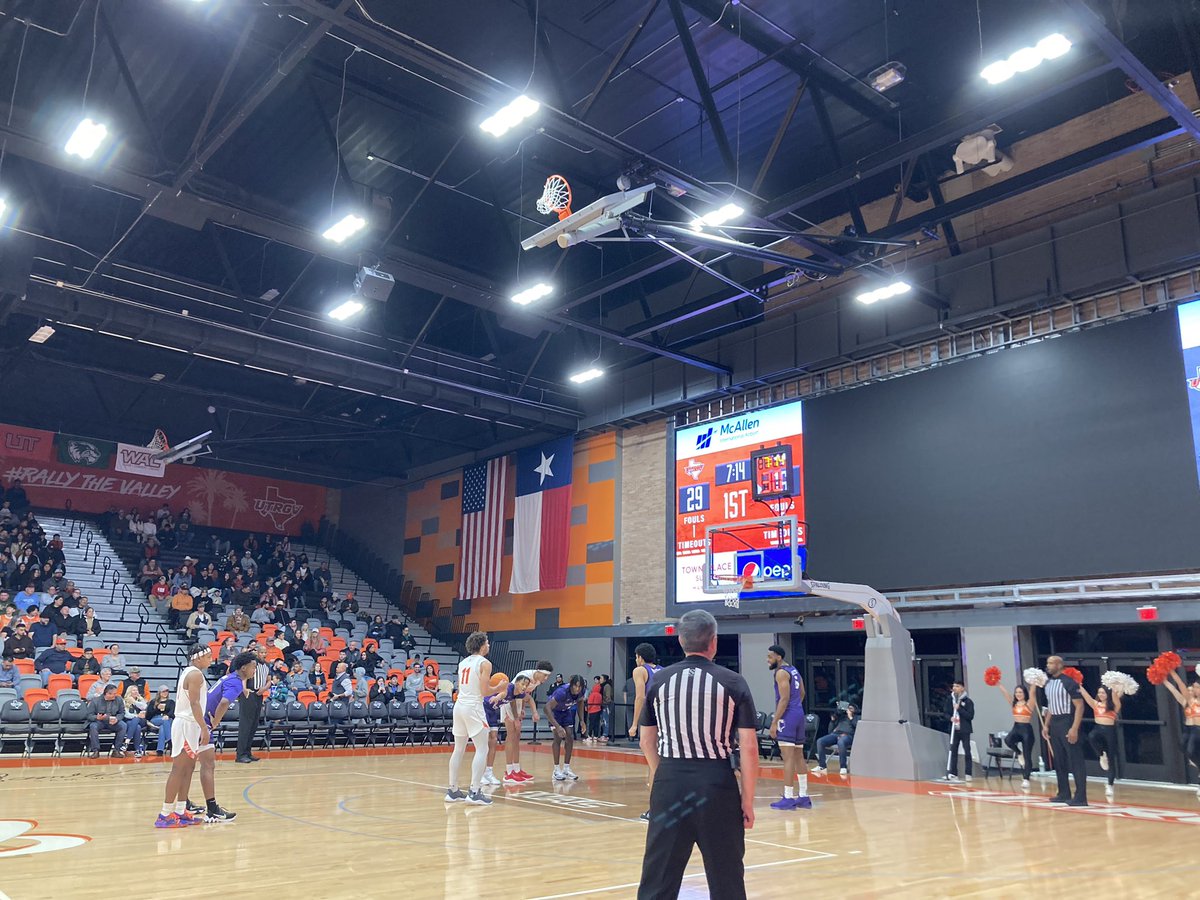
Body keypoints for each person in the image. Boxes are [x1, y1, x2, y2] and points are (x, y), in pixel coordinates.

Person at [637, 609, 758, 900]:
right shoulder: (733, 682)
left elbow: (646, 740)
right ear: (713, 642)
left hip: (669, 782)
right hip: (716, 784)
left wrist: (662, 772)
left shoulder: (659, 680)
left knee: (658, 879)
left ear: (680, 641)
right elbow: (750, 748)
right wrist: (747, 800)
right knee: (726, 877)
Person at [445, 631, 503, 805]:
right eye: (487, 642)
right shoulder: (485, 663)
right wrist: (499, 687)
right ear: (482, 645)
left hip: (459, 706)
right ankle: (474, 792)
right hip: (473, 707)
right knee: (482, 749)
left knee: (459, 749)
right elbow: (485, 692)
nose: (489, 645)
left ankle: (453, 790)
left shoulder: (463, 662)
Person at [766, 645, 811, 810]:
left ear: (778, 657)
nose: (767, 660)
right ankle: (804, 796)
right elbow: (802, 693)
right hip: (799, 714)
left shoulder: (781, 673)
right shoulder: (794, 670)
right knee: (799, 756)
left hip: (788, 716)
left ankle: (788, 796)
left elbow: (783, 699)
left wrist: (774, 722)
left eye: (770, 657)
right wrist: (796, 706)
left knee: (788, 758)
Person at [1039, 656, 1087, 807]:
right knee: (1059, 760)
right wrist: (1046, 725)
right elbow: (1051, 706)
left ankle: (1080, 797)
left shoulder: (1069, 682)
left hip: (1067, 721)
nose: (1048, 665)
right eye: (1047, 663)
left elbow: (1080, 706)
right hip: (1055, 723)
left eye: (1051, 663)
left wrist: (1074, 728)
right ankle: (1063, 792)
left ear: (1060, 665)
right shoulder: (1048, 683)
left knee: (1075, 760)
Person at [500, 660, 554, 784]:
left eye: (548, 676)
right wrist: (516, 717)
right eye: (545, 675)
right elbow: (512, 697)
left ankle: (517, 769)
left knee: (517, 737)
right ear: (538, 672)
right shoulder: (525, 676)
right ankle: (508, 772)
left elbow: (525, 695)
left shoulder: (537, 681)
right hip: (508, 703)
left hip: (518, 703)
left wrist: (523, 708)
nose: (546, 678)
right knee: (511, 735)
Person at [482, 674, 532, 786]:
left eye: (526, 685)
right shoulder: (509, 687)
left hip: (493, 711)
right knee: (483, 743)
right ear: (516, 683)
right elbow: (503, 694)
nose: (524, 687)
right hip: (483, 708)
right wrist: (497, 698)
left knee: (493, 741)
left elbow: (514, 702)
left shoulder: (518, 694)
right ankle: (480, 774)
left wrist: (516, 719)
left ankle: (488, 773)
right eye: (522, 684)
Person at [1078, 682, 1122, 798]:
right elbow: (1086, 696)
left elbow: (1116, 699)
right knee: (1092, 736)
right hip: (1098, 729)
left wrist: (1114, 686)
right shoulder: (1096, 704)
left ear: (1108, 694)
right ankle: (1101, 755)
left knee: (1111, 760)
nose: (1101, 694)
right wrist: (1079, 685)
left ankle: (1110, 785)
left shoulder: (1114, 707)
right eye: (1099, 692)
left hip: (1110, 731)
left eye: (1103, 692)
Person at [994, 681, 1039, 788]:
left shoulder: (1029, 704)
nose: (1018, 694)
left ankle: (1026, 778)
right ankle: (1019, 753)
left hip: (1026, 730)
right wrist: (999, 684)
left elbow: (1032, 693)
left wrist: (1034, 682)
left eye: (1020, 692)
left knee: (1028, 756)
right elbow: (1006, 694)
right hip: (1016, 727)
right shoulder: (1013, 703)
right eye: (1016, 692)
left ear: (1024, 693)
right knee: (1008, 740)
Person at [1163, 668, 1200, 798]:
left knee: (1192, 751)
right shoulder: (1189, 701)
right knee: (1187, 749)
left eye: (1196, 688)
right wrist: (1170, 675)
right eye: (1193, 688)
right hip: (1191, 729)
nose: (1193, 691)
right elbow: (1178, 687)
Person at [546, 675, 586, 782]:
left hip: (566, 711)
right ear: (571, 685)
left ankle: (566, 768)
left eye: (580, 687)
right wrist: (558, 727)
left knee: (570, 736)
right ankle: (556, 770)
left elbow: (580, 702)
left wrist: (582, 720)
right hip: (554, 712)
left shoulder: (581, 692)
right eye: (575, 686)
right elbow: (547, 708)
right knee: (558, 737)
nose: (577, 689)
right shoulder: (562, 692)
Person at [235, 644, 270, 764]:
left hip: (259, 695)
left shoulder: (267, 665)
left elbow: (269, 680)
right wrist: (244, 689)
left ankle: (248, 752)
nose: (264, 655)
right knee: (246, 725)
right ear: (257, 653)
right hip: (249, 694)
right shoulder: (252, 664)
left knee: (253, 725)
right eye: (262, 652)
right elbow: (243, 676)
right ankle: (240, 755)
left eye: (265, 653)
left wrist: (264, 689)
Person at [87, 682, 129, 758]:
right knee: (93, 726)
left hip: (113, 721)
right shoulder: (95, 701)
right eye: (113, 694)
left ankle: (116, 750)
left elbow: (122, 713)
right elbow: (89, 715)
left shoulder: (118, 699)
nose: (115, 695)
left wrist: (117, 719)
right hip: (100, 721)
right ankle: (96, 750)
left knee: (123, 725)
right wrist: (97, 717)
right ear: (107, 694)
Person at [814, 704, 857, 775]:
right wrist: (833, 721)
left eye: (851, 708)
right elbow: (830, 730)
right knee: (820, 741)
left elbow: (856, 726)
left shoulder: (856, 717)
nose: (848, 709)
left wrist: (850, 717)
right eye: (848, 708)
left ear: (855, 710)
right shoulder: (842, 717)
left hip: (848, 736)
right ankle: (822, 766)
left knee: (841, 741)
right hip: (836, 734)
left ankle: (843, 767)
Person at [946, 678, 974, 782]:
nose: (955, 688)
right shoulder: (950, 700)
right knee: (953, 751)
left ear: (962, 688)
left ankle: (968, 773)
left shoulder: (968, 701)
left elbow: (970, 716)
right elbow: (946, 713)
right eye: (953, 686)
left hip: (964, 730)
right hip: (954, 730)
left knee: (967, 751)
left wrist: (959, 709)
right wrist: (950, 718)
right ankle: (953, 773)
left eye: (957, 686)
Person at [146, 685, 175, 757]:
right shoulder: (153, 702)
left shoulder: (171, 702)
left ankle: (159, 751)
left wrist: (167, 715)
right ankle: (170, 742)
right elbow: (148, 715)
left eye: (167, 691)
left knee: (163, 727)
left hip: (167, 719)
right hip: (155, 719)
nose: (165, 693)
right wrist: (156, 709)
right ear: (159, 693)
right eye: (163, 691)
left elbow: (172, 712)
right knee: (164, 721)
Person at [124, 684, 150, 758]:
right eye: (133, 690)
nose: (136, 692)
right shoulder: (124, 701)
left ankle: (127, 742)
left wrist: (135, 702)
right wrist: (136, 716)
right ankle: (137, 750)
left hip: (142, 721)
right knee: (137, 727)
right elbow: (126, 714)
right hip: (130, 721)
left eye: (137, 690)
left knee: (137, 722)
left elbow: (145, 707)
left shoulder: (141, 699)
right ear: (129, 692)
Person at [585, 677, 604, 743]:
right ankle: (596, 736)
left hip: (592, 711)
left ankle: (590, 736)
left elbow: (589, 703)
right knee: (596, 724)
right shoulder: (600, 695)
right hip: (598, 710)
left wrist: (587, 709)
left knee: (591, 724)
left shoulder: (592, 695)